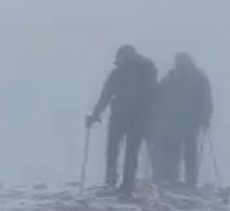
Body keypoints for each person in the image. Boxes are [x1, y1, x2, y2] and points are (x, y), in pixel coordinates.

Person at [86, 45, 158, 196]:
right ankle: (126, 184)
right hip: (137, 117)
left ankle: (111, 181)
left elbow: (105, 95)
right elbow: (152, 94)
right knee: (130, 151)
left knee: (114, 149)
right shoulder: (146, 70)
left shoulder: (119, 73)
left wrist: (95, 115)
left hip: (122, 115)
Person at [155, 52, 213, 188]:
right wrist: (206, 117)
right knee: (185, 150)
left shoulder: (173, 77)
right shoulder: (197, 77)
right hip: (184, 119)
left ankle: (178, 180)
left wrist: (206, 116)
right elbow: (206, 100)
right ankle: (186, 181)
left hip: (181, 119)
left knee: (178, 150)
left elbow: (206, 99)